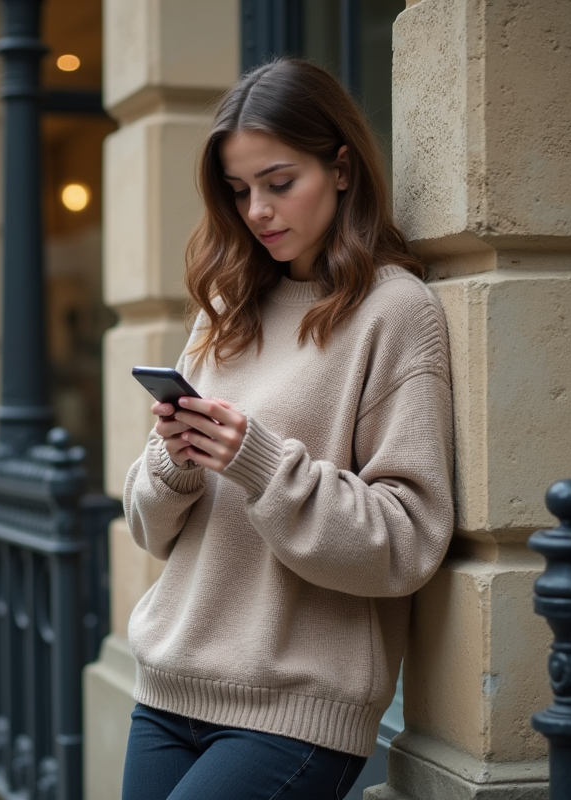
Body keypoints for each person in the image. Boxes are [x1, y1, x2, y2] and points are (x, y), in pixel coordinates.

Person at [120, 58, 455, 800]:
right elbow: (148, 529)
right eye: (239, 192)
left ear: (341, 168)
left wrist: (261, 464)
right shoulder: (226, 308)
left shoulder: (396, 313)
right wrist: (175, 465)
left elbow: (406, 541)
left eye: (279, 183)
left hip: (295, 710)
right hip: (168, 688)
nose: (258, 211)